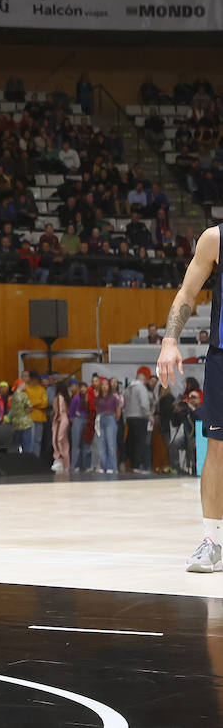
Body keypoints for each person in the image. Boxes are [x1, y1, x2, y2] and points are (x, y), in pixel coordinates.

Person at [156, 227, 223, 572]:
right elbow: (187, 292)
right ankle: (213, 541)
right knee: (218, 448)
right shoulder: (215, 239)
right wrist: (170, 341)